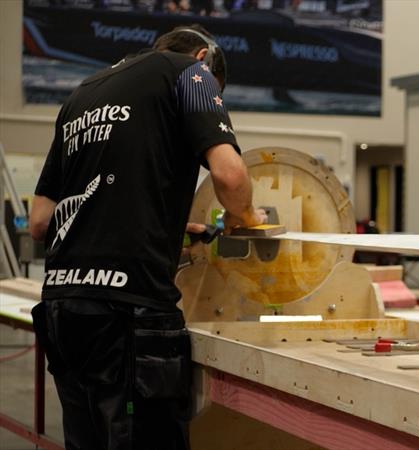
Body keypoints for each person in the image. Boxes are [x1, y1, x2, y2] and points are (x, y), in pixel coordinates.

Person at [29, 24, 264, 449]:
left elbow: (41, 220)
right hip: (128, 315)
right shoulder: (189, 74)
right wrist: (246, 215)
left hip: (63, 309)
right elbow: (231, 175)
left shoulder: (82, 92)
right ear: (203, 60)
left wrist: (159, 227)